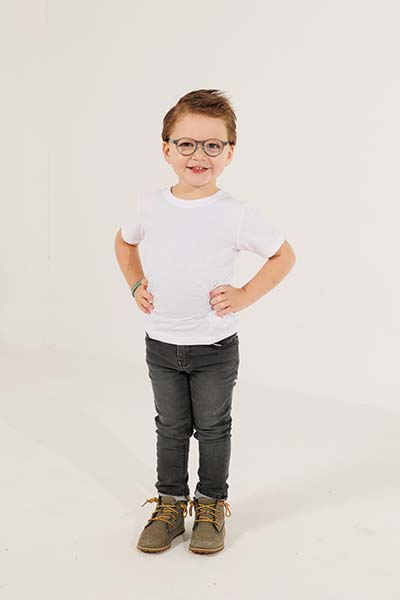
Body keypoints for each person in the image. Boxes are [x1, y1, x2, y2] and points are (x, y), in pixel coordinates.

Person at [114, 88, 296, 555]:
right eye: (187, 144)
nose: (199, 155)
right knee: (171, 427)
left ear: (229, 152)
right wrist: (135, 285)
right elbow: (124, 243)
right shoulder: (148, 205)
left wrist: (244, 295)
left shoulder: (235, 213)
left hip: (214, 347)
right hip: (161, 343)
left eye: (212, 145)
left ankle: (211, 505)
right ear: (166, 149)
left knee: (213, 428)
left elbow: (283, 255)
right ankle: (171, 506)